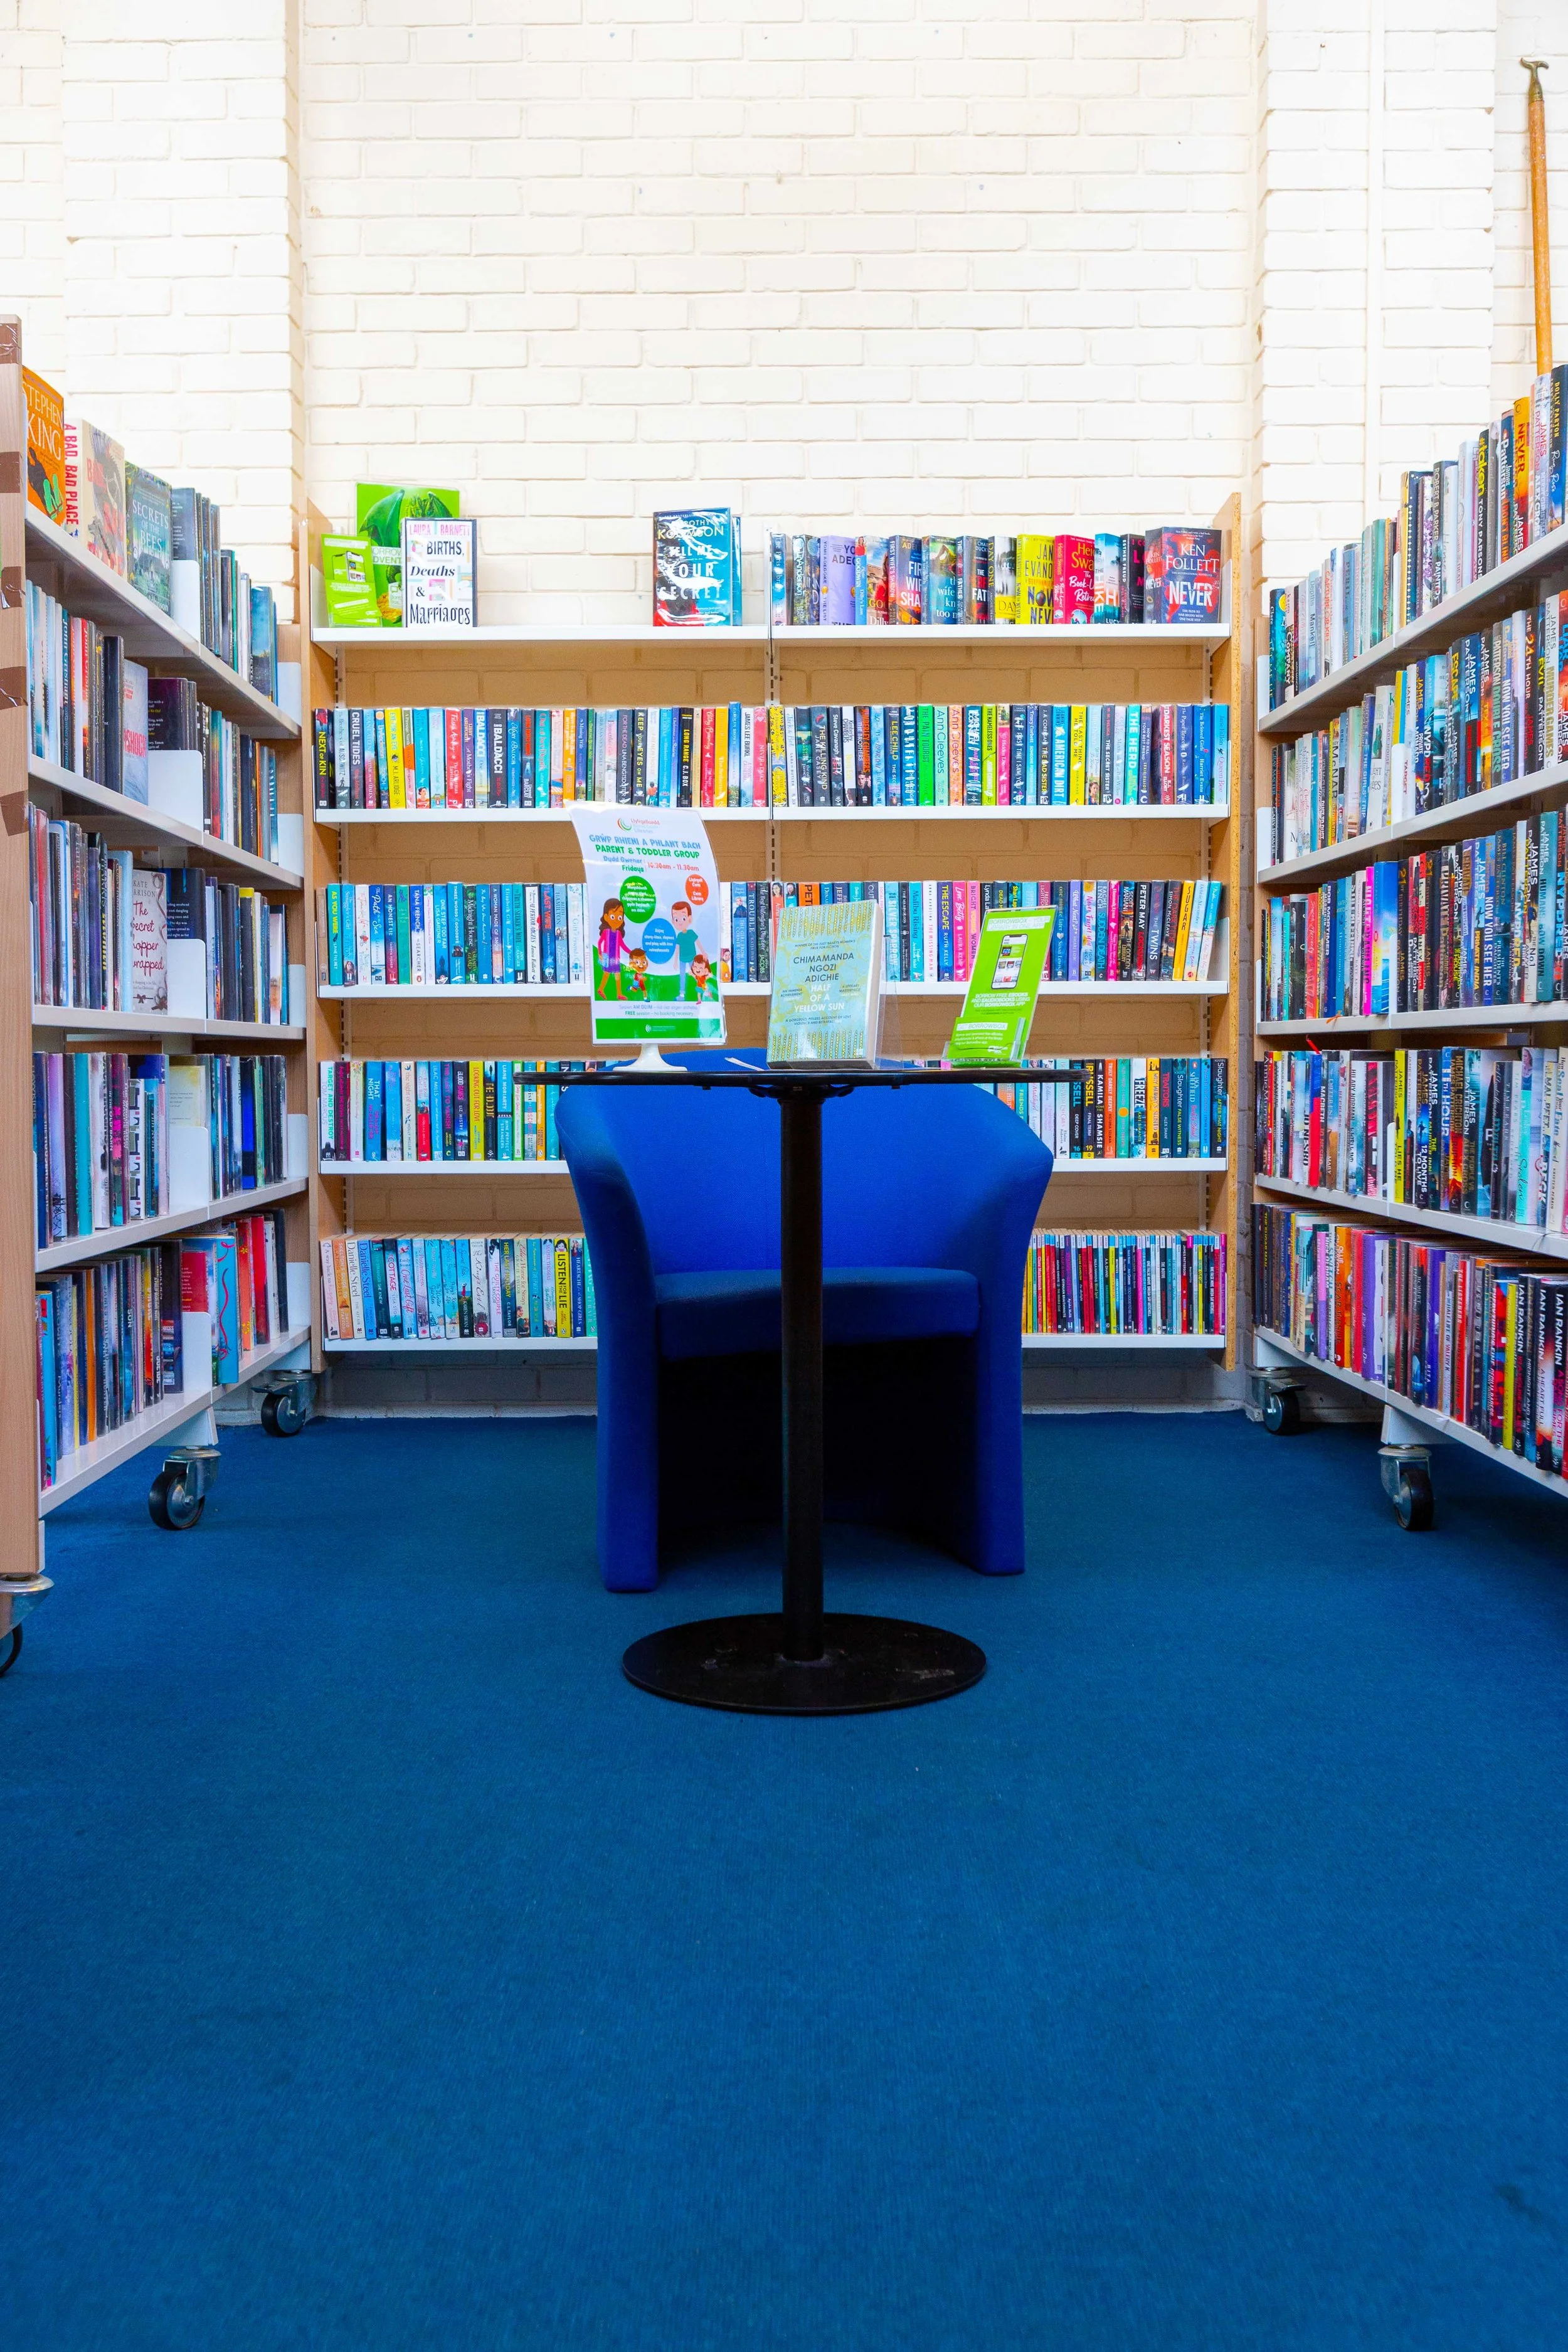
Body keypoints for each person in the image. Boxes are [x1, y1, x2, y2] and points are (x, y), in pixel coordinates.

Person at [596, 898, 626, 996]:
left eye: (620, 917)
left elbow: (623, 946)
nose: (617, 920)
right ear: (606, 917)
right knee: (606, 974)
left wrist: (632, 953)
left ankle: (619, 993)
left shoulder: (618, 934)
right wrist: (600, 954)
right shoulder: (606, 932)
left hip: (616, 958)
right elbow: (600, 942)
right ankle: (601, 989)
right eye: (613, 916)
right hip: (608, 957)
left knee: (618, 974)